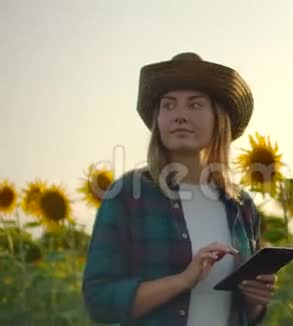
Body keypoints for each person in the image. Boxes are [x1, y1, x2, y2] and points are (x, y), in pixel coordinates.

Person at [82, 52, 276, 325]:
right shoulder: (128, 195)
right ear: (157, 119)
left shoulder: (241, 205)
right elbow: (100, 301)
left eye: (195, 105)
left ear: (218, 119)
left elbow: (245, 315)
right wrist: (183, 280)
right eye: (169, 105)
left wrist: (255, 302)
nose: (180, 116)